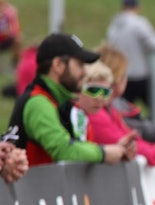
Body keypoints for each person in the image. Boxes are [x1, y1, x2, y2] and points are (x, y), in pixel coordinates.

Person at [5, 32, 137, 166]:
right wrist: (104, 153)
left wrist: (115, 150)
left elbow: (75, 148)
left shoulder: (59, 102)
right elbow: (63, 149)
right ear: (58, 65)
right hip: (34, 180)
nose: (84, 72)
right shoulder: (38, 102)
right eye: (79, 65)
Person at [91, 43, 155, 164]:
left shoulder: (110, 110)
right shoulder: (96, 111)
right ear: (118, 79)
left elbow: (131, 141)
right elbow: (120, 140)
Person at [105, 0, 155, 115]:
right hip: (139, 75)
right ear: (137, 7)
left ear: (122, 7)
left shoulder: (115, 24)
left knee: (122, 110)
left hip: (121, 74)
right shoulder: (139, 23)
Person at [0, 0, 22, 68]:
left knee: (18, 39)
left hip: (6, 38)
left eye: (2, 3)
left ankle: (15, 63)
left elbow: (15, 29)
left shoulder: (10, 12)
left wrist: (9, 32)